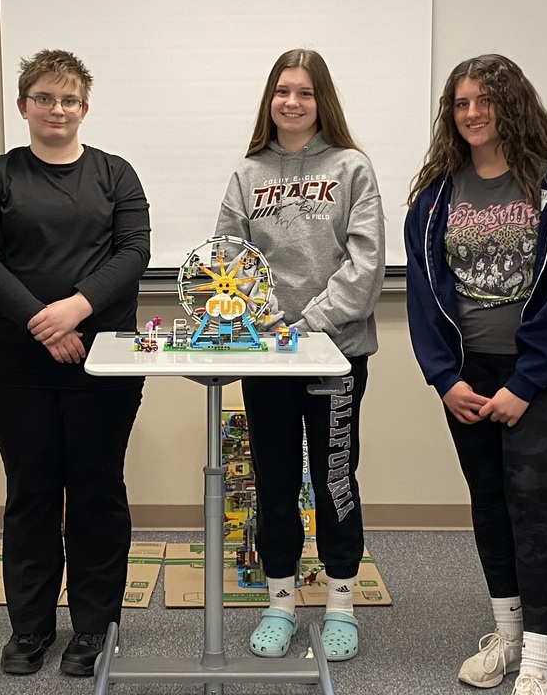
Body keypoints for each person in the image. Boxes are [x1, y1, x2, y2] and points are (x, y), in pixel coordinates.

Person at [404, 54, 547, 695]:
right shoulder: (434, 197)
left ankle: (538, 657)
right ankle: (507, 638)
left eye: (484, 100)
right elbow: (425, 298)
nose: (472, 114)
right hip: (469, 374)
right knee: (488, 505)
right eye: (460, 103)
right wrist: (444, 378)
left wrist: (525, 383)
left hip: (540, 375)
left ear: (511, 104)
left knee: (532, 508)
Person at [0, 49, 150, 677]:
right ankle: (31, 630)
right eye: (44, 98)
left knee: (97, 492)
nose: (57, 109)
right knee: (32, 492)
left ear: (84, 109)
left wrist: (74, 309)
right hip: (15, 363)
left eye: (69, 99)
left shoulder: (115, 175)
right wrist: (45, 326)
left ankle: (94, 629)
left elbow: (132, 253)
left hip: (104, 362)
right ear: (24, 106)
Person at [215, 49, 385, 662]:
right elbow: (227, 261)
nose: (292, 101)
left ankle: (341, 602)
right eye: (282, 91)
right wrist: (263, 326)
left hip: (334, 355)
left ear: (322, 101)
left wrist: (303, 328)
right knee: (276, 481)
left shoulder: (352, 168)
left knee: (336, 479)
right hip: (267, 359)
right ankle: (280, 603)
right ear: (270, 99)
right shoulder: (246, 172)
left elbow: (364, 268)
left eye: (305, 92)